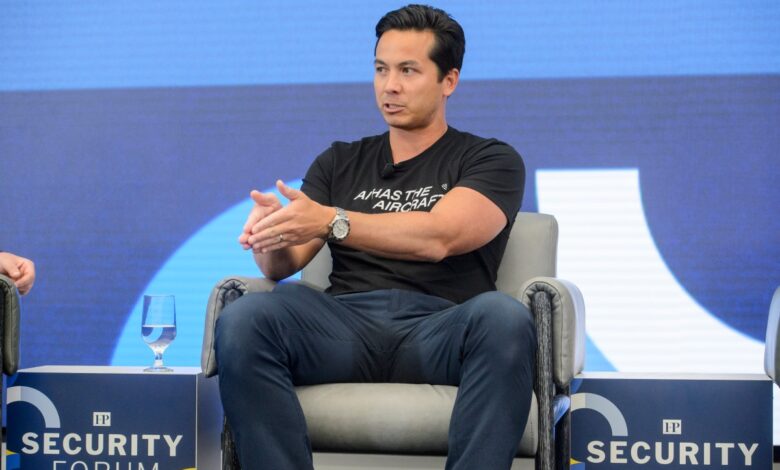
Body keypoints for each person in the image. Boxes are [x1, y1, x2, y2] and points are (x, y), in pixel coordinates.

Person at [215, 5, 535, 469]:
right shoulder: (339, 160)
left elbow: (440, 237)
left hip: (444, 326)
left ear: (449, 80)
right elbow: (287, 263)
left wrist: (333, 220)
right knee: (246, 319)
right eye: (381, 70)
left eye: (409, 70)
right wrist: (272, 233)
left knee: (504, 316)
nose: (390, 86)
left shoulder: (490, 159)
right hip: (342, 324)